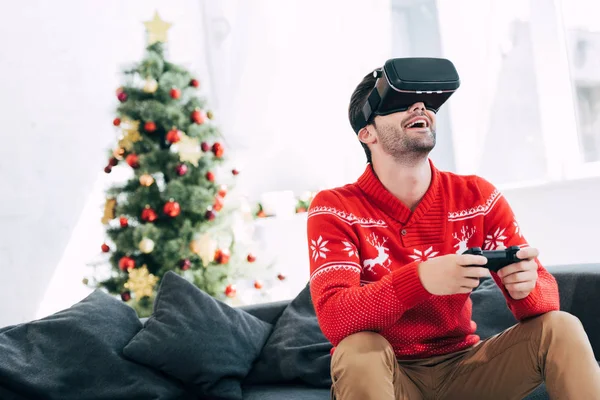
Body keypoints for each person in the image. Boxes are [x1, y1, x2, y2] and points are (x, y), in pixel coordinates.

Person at [306, 68, 600, 400]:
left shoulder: (477, 195)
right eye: (400, 102)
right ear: (367, 133)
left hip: (466, 368)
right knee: (358, 348)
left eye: (427, 103)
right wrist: (420, 280)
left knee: (561, 327)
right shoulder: (335, 207)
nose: (420, 108)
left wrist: (527, 288)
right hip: (387, 374)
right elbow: (334, 318)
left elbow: (543, 304)